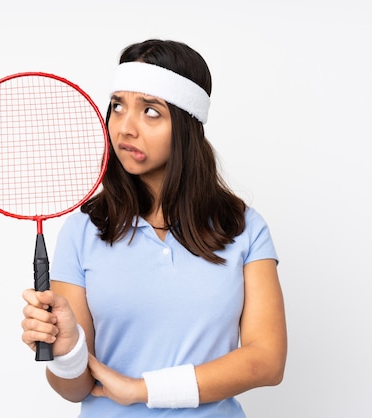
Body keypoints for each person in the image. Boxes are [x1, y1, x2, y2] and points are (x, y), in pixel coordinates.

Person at [21, 39, 287, 417]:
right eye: (117, 106)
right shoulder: (83, 231)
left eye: (150, 111)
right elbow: (77, 386)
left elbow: (267, 361)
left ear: (186, 123)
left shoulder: (244, 228)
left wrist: (143, 390)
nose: (125, 128)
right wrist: (67, 350)